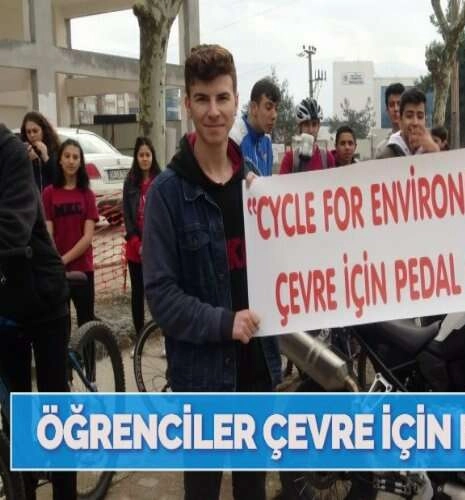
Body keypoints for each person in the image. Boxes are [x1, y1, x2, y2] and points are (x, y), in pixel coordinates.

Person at [142, 44, 281, 500]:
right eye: (202, 99)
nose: (213, 111)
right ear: (187, 103)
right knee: (201, 490)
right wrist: (225, 323)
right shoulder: (166, 194)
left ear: (236, 100)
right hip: (201, 380)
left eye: (222, 98)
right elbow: (161, 296)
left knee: (252, 490)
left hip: (257, 371)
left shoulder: (256, 185)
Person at [0, 123, 77, 500]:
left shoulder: (11, 153)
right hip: (6, 304)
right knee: (17, 415)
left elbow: (12, 228)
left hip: (43, 296)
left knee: (52, 411)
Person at [42, 139, 98, 327]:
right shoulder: (48, 193)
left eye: (75, 157)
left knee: (86, 324)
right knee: (60, 325)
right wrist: (56, 260)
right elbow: (48, 232)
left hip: (83, 268)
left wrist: (64, 259)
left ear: (81, 162)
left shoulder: (87, 194)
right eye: (67, 156)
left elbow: (87, 237)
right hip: (57, 270)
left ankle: (87, 351)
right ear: (60, 160)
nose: (71, 161)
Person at [122, 136, 160, 347]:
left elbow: (164, 217)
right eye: (141, 155)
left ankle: (164, 338)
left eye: (148, 155)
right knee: (138, 294)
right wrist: (138, 244)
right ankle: (140, 339)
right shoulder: (130, 182)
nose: (144, 159)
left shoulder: (161, 180)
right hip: (135, 250)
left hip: (157, 249)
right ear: (136, 158)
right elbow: (127, 217)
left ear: (152, 157)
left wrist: (152, 245)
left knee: (159, 294)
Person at [229, 77, 279, 176]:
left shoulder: (267, 140)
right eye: (268, 107)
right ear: (253, 108)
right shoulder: (234, 137)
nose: (274, 115)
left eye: (276, 109)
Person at [375, 87, 440, 158]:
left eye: (420, 116)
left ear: (425, 120)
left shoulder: (432, 150)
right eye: (409, 116)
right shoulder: (386, 155)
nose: (415, 122)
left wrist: (435, 152)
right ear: (400, 120)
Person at [279, 97, 335, 174]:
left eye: (314, 124)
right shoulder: (290, 159)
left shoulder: (327, 158)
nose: (310, 130)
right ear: (300, 127)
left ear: (319, 127)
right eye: (306, 124)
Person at [20, 111, 61, 191]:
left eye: (35, 131)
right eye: (28, 132)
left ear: (43, 131)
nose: (32, 135)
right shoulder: (24, 149)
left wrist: (46, 157)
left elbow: (58, 179)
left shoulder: (54, 149)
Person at [374, 82, 405, 158]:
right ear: (387, 110)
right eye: (391, 105)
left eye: (399, 104)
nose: (396, 109)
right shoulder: (381, 150)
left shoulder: (416, 144)